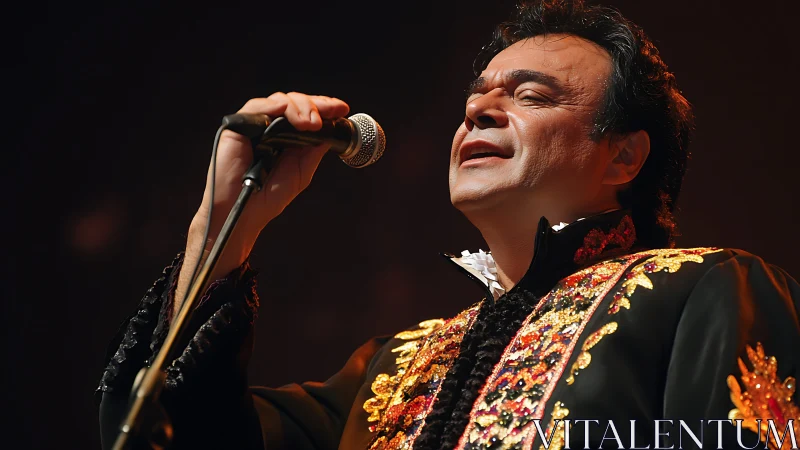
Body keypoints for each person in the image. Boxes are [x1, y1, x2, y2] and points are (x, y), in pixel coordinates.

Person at [96, 1, 800, 449]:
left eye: (528, 94)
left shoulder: (704, 294)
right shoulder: (389, 370)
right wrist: (223, 222)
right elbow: (170, 434)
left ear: (623, 155)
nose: (479, 110)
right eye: (477, 95)